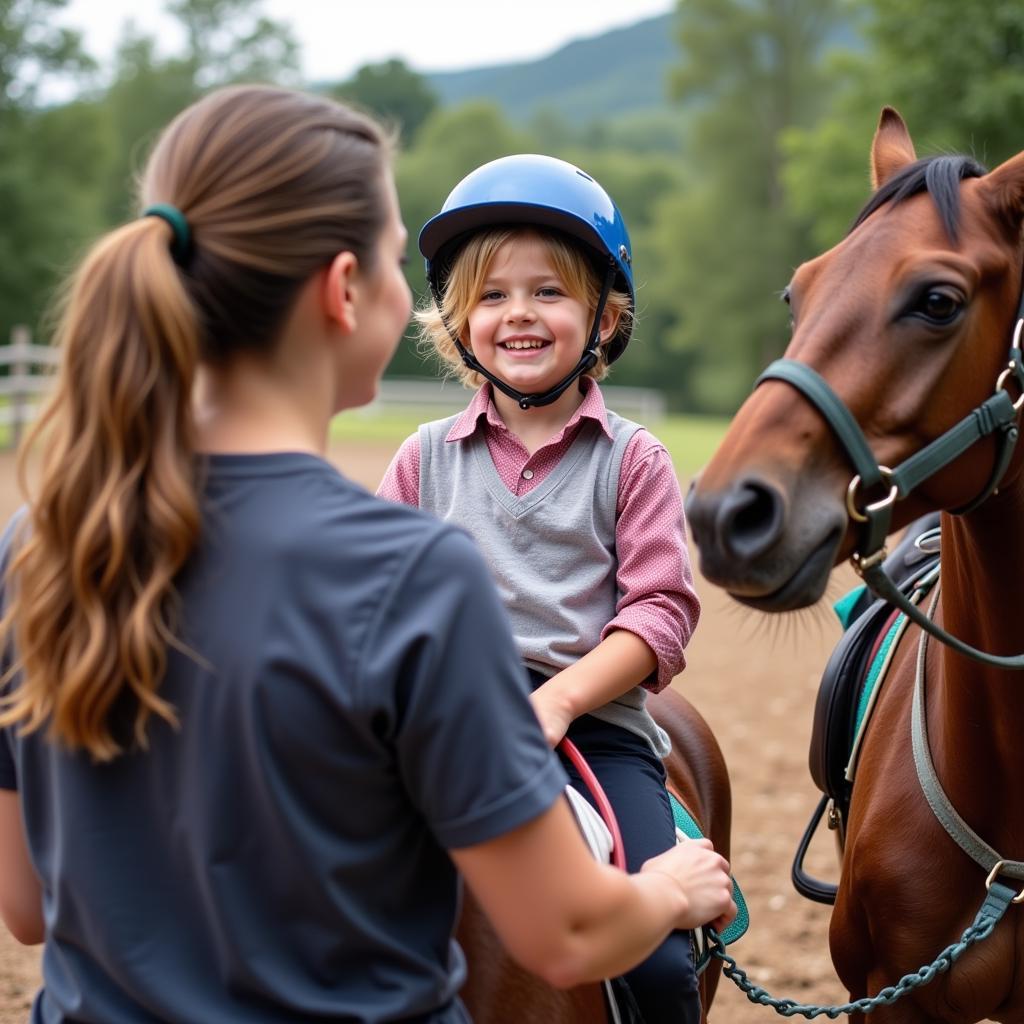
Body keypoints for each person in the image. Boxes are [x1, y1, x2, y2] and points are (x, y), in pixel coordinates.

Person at [0, 87, 734, 1024]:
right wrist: (673, 893)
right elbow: (565, 934)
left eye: (547, 291)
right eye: (400, 263)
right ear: (344, 290)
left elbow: (27, 907)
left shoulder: (36, 546)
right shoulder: (415, 570)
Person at [379, 153, 706, 1024]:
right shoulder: (423, 458)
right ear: (458, 322)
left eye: (548, 292)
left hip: (593, 729)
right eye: (491, 295)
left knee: (660, 971)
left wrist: (557, 703)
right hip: (444, 723)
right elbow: (372, 603)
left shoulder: (633, 459)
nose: (518, 313)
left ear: (605, 318)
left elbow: (659, 613)